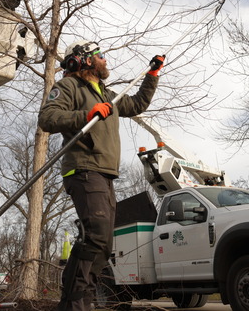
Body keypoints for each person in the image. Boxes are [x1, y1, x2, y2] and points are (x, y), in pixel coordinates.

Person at [38, 40, 164, 311]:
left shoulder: (109, 95)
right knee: (96, 235)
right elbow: (47, 118)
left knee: (103, 243)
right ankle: (73, 303)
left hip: (105, 174)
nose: (106, 60)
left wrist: (152, 75)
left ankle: (80, 300)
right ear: (83, 61)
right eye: (101, 56)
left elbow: (138, 104)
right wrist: (87, 114)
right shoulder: (69, 86)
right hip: (83, 169)